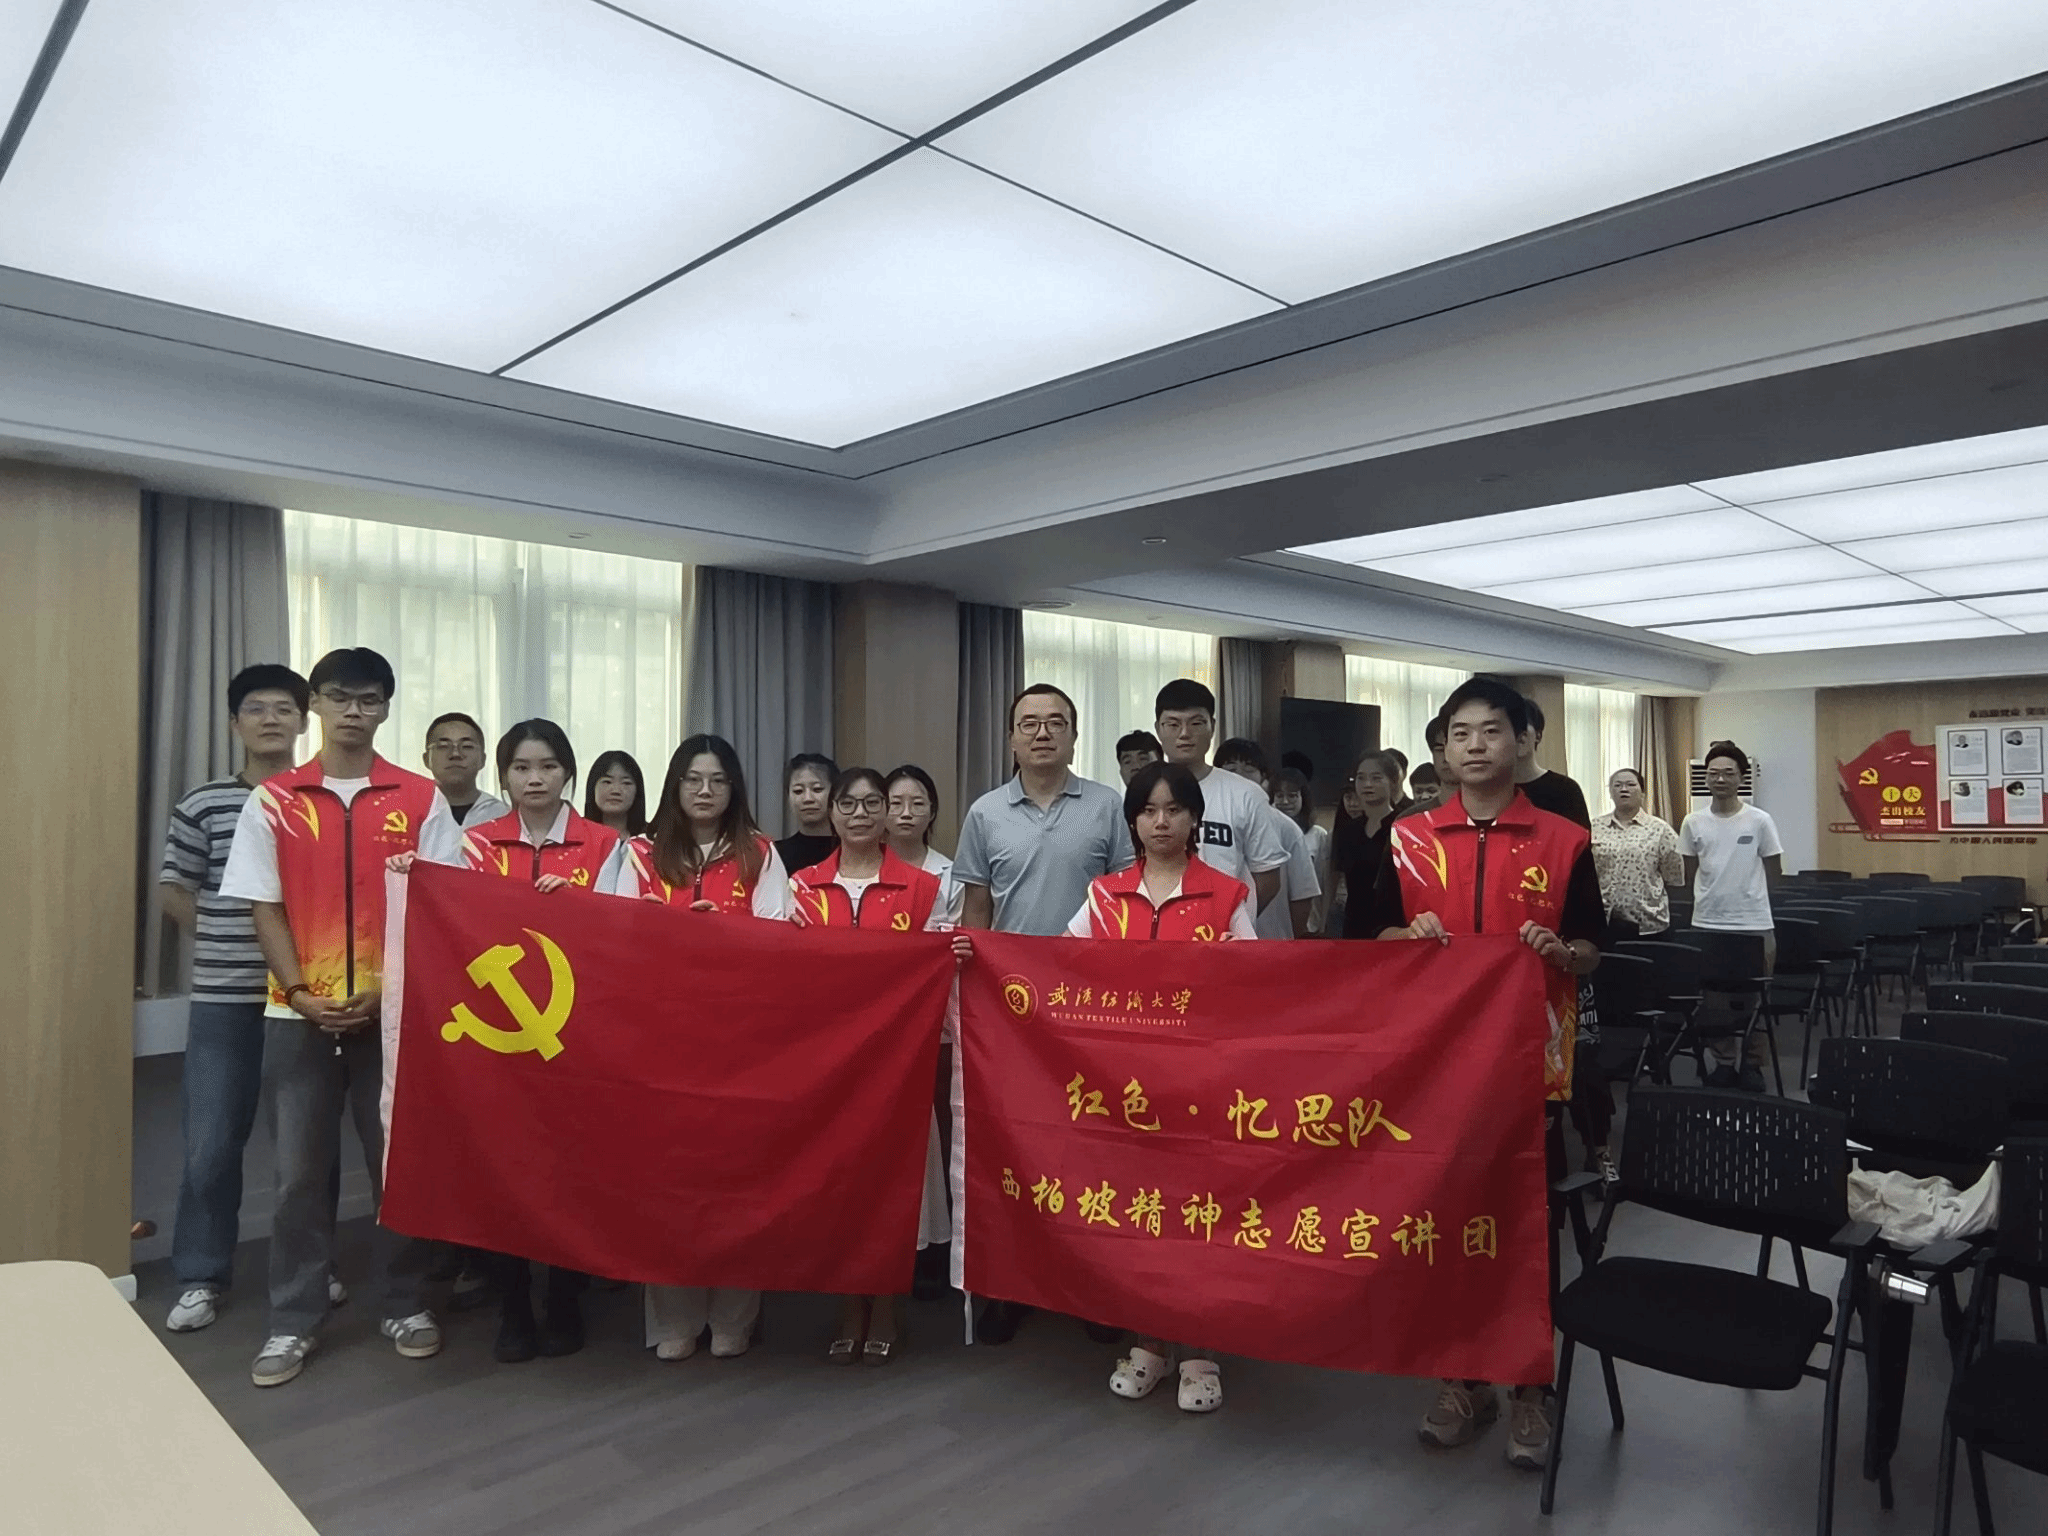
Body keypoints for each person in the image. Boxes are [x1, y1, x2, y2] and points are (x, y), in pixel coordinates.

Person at [1361, 676, 1602, 1471]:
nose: (1475, 745)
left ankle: (1531, 1386)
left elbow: (1593, 947)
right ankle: (1463, 1380)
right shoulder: (1408, 838)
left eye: (1491, 730)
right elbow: (1368, 937)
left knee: (1527, 1223)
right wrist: (1405, 936)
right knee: (1444, 1219)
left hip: (1531, 1063)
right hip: (1431, 1066)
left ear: (1521, 740)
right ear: (1443, 747)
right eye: (1459, 733)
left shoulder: (1564, 839)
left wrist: (1563, 953)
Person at [217, 647, 457, 1388]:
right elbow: (264, 906)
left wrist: (389, 991)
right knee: (296, 1177)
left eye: (370, 698)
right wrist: (298, 991)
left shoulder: (422, 799)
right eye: (340, 697)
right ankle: (293, 1319)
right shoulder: (274, 801)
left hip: (393, 1017)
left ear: (386, 708)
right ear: (315, 705)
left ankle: (407, 1304)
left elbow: (442, 906)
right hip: (298, 1017)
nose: (355, 711)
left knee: (398, 1166)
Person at [399, 719, 622, 1363]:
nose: (535, 779)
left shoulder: (606, 845)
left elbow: (623, 933)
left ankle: (566, 1301)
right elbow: (445, 917)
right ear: (503, 777)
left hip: (580, 1032)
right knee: (501, 1169)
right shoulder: (475, 843)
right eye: (521, 768)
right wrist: (410, 875)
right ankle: (514, 1306)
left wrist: (577, 907)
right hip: (495, 1036)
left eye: (547, 766)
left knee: (573, 1169)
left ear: (568, 773)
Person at [1065, 761, 1254, 1413]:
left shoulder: (1226, 895)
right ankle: (1150, 1343)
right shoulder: (1104, 896)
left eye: (1174, 809)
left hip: (1202, 1085)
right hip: (1124, 1088)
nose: (1161, 822)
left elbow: (1258, 986)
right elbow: (1059, 967)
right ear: (1133, 821)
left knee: (1199, 1217)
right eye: (1148, 810)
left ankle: (1201, 1351)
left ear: (1195, 818)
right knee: (1140, 1216)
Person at [953, 682, 1131, 1343]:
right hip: (1013, 1011)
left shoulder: (1107, 807)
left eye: (1056, 722)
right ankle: (1014, 1284)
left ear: (1075, 737)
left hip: (1091, 1010)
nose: (1043, 733)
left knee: (1090, 1148)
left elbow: (1123, 898)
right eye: (1029, 723)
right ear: (1011, 738)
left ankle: (1094, 1288)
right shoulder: (985, 813)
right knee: (1017, 1145)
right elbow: (977, 907)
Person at [609, 733, 790, 1358]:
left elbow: (780, 943)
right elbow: (612, 936)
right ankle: (673, 1319)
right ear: (675, 786)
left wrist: (724, 938)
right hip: (659, 1040)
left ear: (733, 787)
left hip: (739, 1042)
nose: (705, 791)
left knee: (738, 1179)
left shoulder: (761, 854)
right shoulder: (638, 854)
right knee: (665, 1182)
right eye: (693, 779)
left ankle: (736, 1317)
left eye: (717, 780)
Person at [161, 663, 310, 1335]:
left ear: (303, 721)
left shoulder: (317, 802)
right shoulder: (204, 802)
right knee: (210, 1143)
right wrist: (228, 934)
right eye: (256, 708)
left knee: (305, 1147)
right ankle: (200, 1275)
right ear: (234, 722)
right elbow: (174, 890)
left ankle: (313, 1269)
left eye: (284, 708)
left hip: (301, 999)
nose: (270, 718)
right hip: (224, 997)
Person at [789, 767, 952, 1366]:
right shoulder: (802, 886)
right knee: (839, 1186)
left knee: (894, 1187)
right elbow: (785, 972)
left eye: (871, 803)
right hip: (827, 1065)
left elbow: (936, 973)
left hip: (897, 1064)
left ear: (886, 813)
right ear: (831, 814)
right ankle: (846, 1305)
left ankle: (886, 1305)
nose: (859, 814)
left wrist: (955, 952)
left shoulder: (924, 887)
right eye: (848, 803)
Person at [1679, 741, 1783, 1091]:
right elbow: (1689, 872)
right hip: (1708, 923)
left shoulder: (1759, 820)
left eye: (1728, 773)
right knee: (1714, 1001)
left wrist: (1754, 901)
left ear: (1741, 777)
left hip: (1754, 924)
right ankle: (1723, 1062)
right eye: (1713, 773)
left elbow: (1774, 870)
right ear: (1705, 778)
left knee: (1756, 999)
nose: (1720, 779)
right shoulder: (1693, 821)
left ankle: (1752, 1065)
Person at [1152, 680, 1285, 915]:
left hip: (1225, 931)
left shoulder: (1246, 795)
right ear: (1158, 729)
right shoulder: (1144, 794)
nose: (1184, 734)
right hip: (1159, 930)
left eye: (1196, 723)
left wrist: (1235, 920)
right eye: (1173, 724)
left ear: (1212, 726)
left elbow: (1268, 878)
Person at [1213, 737, 1319, 939]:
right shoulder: (1203, 819)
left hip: (1273, 939)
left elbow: (1302, 895)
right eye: (1231, 769)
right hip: (1218, 936)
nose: (1240, 776)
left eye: (1249, 769)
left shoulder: (1286, 828)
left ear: (1264, 777)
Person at [1591, 768, 1683, 939]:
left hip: (1648, 922)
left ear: (1642, 793)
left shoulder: (1660, 829)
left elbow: (1673, 878)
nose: (1624, 789)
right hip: (1601, 921)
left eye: (1631, 785)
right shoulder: (1594, 827)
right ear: (1610, 793)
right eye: (1617, 785)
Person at [883, 763, 963, 925]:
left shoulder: (952, 877)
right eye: (896, 804)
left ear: (932, 812)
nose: (906, 813)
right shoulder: (865, 869)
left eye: (918, 804)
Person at [1338, 751, 1403, 940]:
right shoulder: (1350, 830)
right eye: (1361, 778)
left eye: (1376, 778)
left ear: (1393, 782)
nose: (1367, 785)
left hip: (1392, 928)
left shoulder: (1403, 826)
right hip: (1354, 926)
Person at [1513, 697, 1591, 828]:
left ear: (1538, 736)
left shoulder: (1566, 789)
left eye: (1522, 728)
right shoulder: (1488, 790)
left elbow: (1580, 838)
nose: (1516, 736)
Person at [1272, 767, 1330, 935]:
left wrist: (1323, 922)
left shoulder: (1317, 835)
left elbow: (1324, 882)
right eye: (1279, 796)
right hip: (1273, 922)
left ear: (1303, 798)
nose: (1285, 802)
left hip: (1309, 922)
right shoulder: (1264, 833)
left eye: (1292, 796)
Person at [423, 712, 508, 826]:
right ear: (426, 759)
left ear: (482, 759)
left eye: (467, 746)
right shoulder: (409, 812)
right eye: (443, 746)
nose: (455, 754)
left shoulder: (502, 815)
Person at [775, 752, 839, 876]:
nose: (808, 799)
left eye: (817, 789)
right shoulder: (775, 855)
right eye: (798, 791)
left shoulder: (851, 851)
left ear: (836, 793)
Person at [584, 748, 649, 837]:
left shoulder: (651, 838)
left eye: (626, 783)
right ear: (593, 787)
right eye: (607, 782)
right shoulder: (575, 836)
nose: (616, 791)